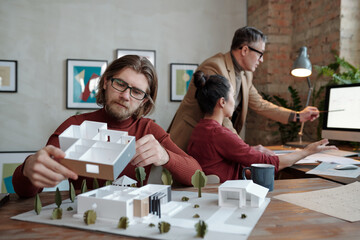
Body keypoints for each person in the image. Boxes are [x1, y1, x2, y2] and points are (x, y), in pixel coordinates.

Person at [13, 55, 202, 198]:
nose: (126, 96)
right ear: (105, 82)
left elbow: (197, 175)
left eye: (136, 91)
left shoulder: (149, 130)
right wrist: (28, 167)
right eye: (120, 84)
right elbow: (24, 191)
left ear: (144, 102)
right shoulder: (75, 125)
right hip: (83, 221)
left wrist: (166, 156)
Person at [168, 26, 320, 152]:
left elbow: (260, 104)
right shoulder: (214, 67)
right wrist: (245, 150)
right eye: (260, 54)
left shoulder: (246, 75)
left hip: (212, 142)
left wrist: (298, 116)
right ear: (245, 50)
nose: (262, 60)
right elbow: (222, 116)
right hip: (189, 140)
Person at [187, 71, 337, 182]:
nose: (234, 100)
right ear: (222, 102)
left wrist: (250, 150)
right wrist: (307, 151)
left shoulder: (200, 129)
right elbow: (267, 163)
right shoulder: (218, 133)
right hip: (225, 195)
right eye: (232, 96)